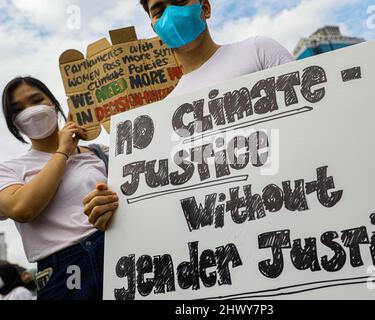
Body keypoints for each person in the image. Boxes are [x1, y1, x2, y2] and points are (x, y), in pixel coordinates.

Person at [0, 77, 119, 300]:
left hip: (116, 250)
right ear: (13, 123)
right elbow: (21, 209)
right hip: (63, 273)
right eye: (18, 109)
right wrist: (63, 151)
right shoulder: (9, 170)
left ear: (54, 103)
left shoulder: (99, 153)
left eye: (36, 100)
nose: (30, 111)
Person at [139, 0, 295, 98]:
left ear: (205, 8)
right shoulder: (169, 107)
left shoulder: (259, 51)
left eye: (180, 2)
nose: (171, 15)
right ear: (155, 29)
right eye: (159, 12)